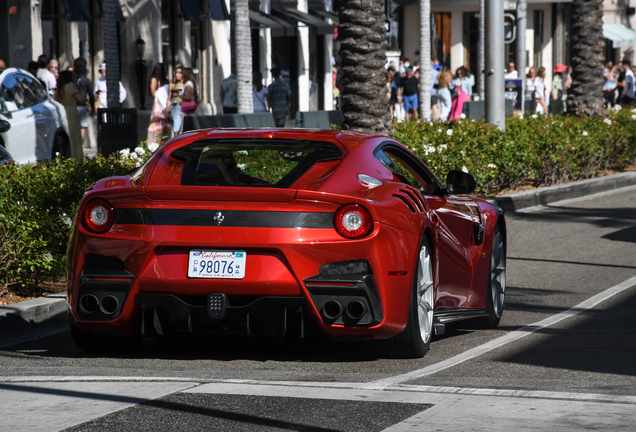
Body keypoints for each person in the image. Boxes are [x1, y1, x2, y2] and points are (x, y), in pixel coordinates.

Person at [54, 71, 84, 159]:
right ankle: (77, 158)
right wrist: (79, 89)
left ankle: (67, 157)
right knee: (75, 137)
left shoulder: (60, 88)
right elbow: (81, 98)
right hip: (72, 112)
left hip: (63, 112)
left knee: (68, 136)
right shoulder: (71, 86)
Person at [72, 58, 95, 146]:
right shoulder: (86, 81)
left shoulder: (72, 79)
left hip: (72, 106)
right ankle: (79, 146)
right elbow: (91, 96)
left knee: (73, 127)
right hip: (82, 106)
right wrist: (93, 109)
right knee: (82, 127)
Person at [147, 68, 172, 147]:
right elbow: (154, 93)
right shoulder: (158, 80)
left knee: (161, 134)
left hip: (162, 111)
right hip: (162, 111)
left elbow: (154, 93)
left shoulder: (164, 81)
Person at [168, 66, 185, 135]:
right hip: (175, 107)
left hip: (184, 108)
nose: (178, 75)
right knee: (175, 129)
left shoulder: (186, 85)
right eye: (176, 73)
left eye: (180, 73)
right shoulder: (172, 85)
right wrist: (166, 111)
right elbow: (169, 99)